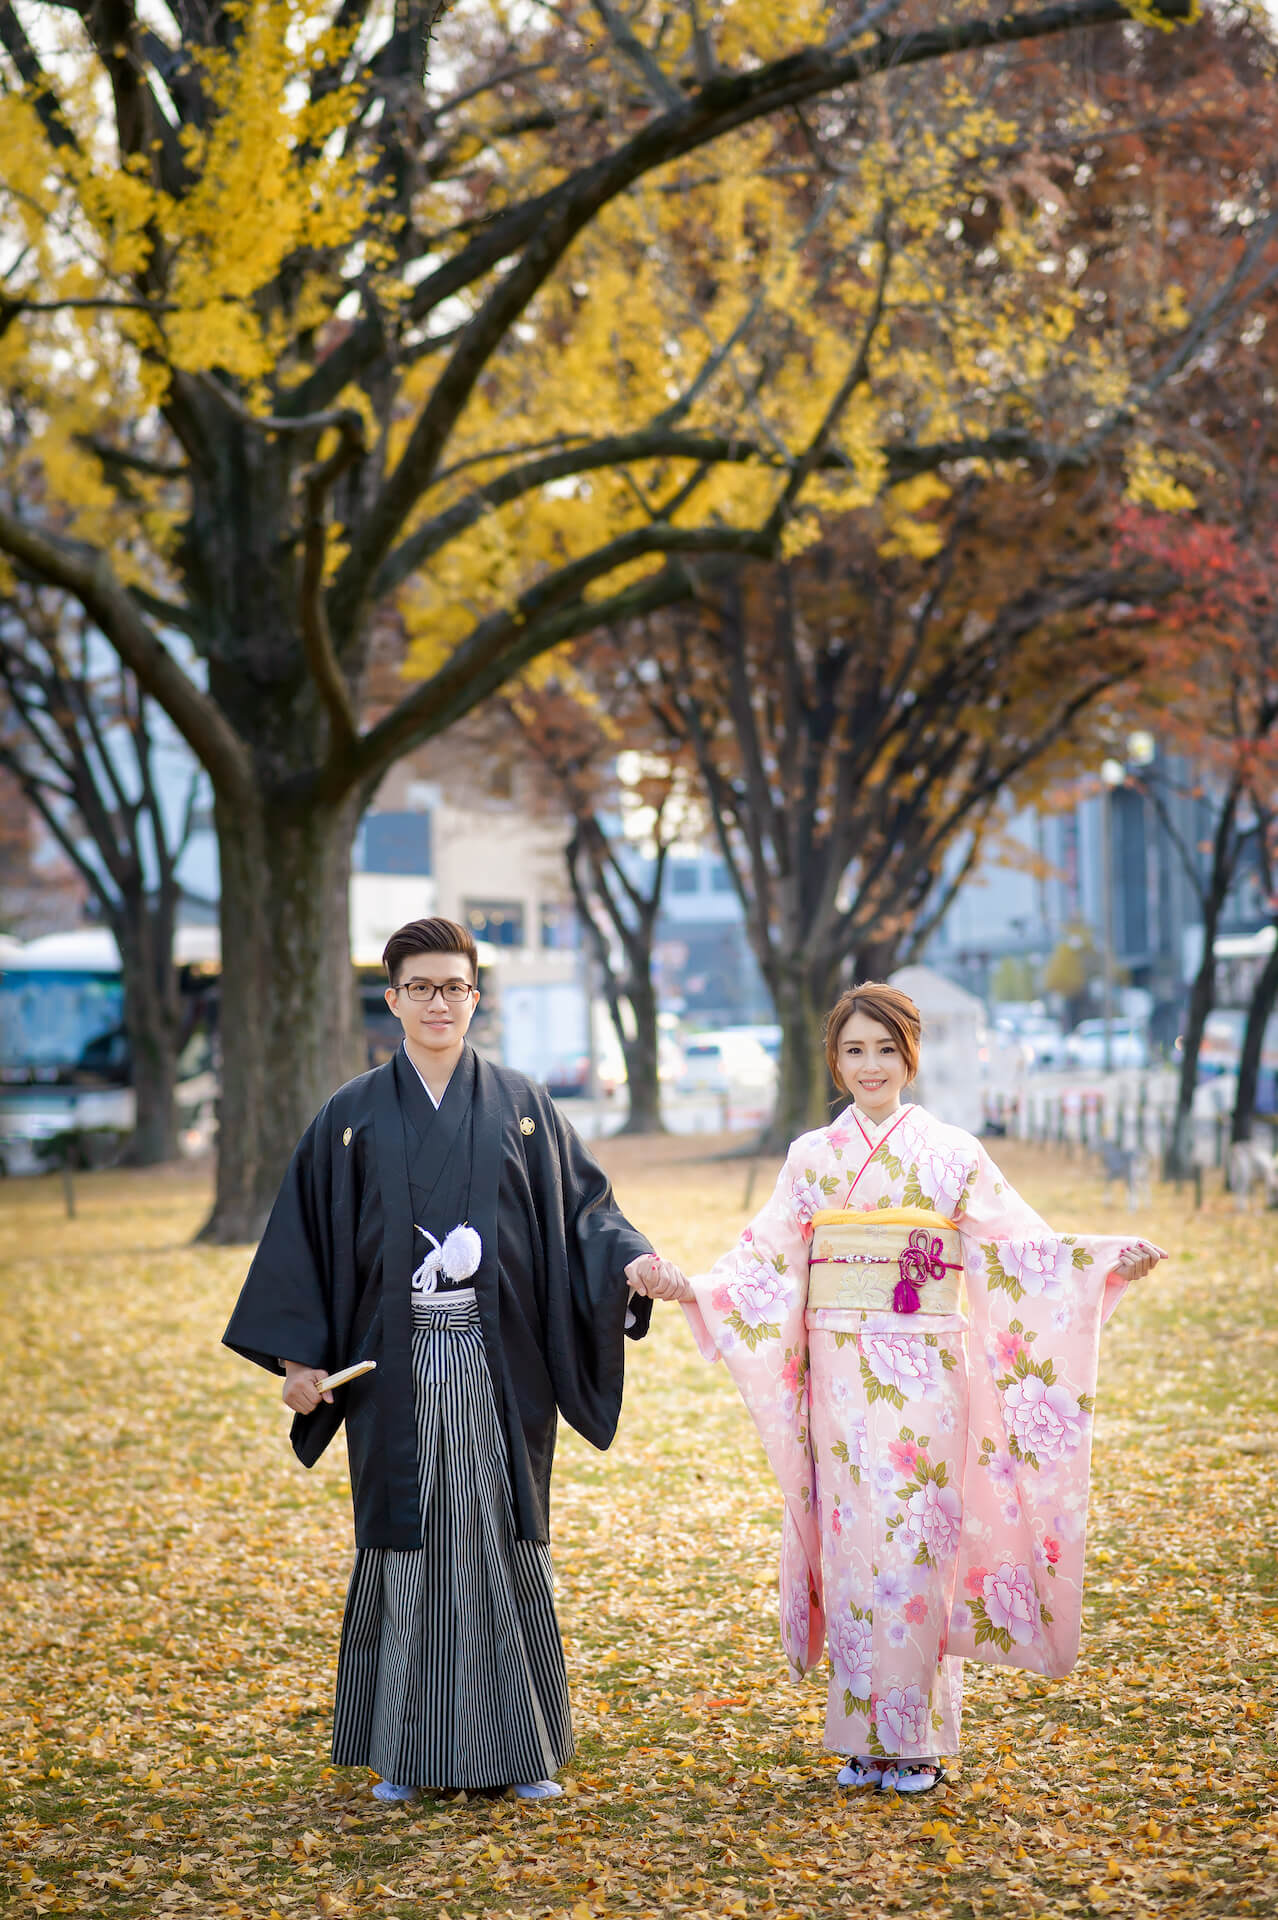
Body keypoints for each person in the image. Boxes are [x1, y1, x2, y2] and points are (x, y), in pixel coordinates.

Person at [632, 981, 1163, 1794]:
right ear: (835, 1061)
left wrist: (1104, 1264)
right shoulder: (813, 1157)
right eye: (854, 1050)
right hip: (839, 1368)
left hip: (926, 1369)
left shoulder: (954, 1152)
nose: (870, 1065)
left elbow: (1026, 1250)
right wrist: (690, 1286)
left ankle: (911, 1738)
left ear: (908, 1054)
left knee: (919, 1535)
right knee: (852, 1541)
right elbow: (766, 1261)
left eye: (885, 1049)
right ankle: (860, 1738)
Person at [223, 916, 674, 1803]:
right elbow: (303, 1241)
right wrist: (298, 1362)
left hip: (498, 1365)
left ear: (477, 997)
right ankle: (407, 1752)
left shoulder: (521, 1106)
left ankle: (520, 1751)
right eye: (420, 987)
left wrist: (628, 1262)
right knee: (407, 1545)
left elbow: (584, 1210)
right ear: (392, 1000)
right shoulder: (349, 1116)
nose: (439, 1002)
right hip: (390, 1371)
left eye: (455, 987)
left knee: (500, 1543)